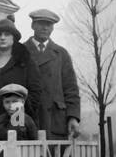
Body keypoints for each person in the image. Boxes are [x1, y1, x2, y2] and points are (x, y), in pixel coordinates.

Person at [25, 8, 81, 139]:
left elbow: (71, 89)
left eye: (48, 24)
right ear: (33, 25)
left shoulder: (61, 54)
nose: (45, 28)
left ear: (53, 28)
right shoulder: (21, 51)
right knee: (28, 156)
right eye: (41, 23)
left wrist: (73, 117)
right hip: (29, 117)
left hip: (55, 121)